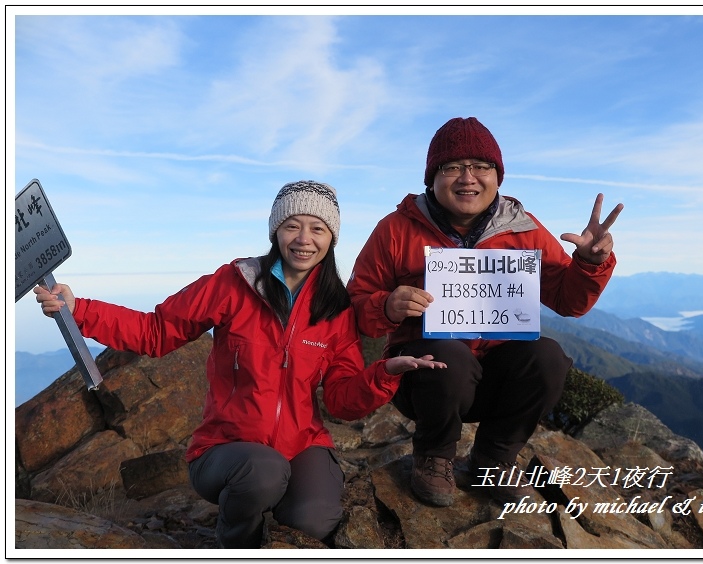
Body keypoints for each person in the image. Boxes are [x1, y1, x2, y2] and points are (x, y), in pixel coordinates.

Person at [34, 180, 446, 548]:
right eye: (292, 226)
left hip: (301, 444)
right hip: (225, 447)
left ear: (331, 238)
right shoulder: (234, 284)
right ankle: (235, 542)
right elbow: (156, 332)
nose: (304, 239)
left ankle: (276, 505)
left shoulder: (335, 308)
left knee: (313, 519)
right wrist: (79, 309)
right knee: (262, 474)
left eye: (318, 229)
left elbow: (340, 400)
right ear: (275, 232)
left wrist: (383, 373)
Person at [346, 117, 623, 507]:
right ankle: (433, 455)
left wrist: (589, 263)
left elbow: (569, 301)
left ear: (498, 176)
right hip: (424, 382)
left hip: (495, 378)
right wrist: (387, 306)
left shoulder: (523, 229)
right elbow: (355, 306)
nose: (467, 178)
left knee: (548, 357)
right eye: (452, 167)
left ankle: (493, 461)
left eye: (481, 166)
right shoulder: (396, 230)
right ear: (432, 177)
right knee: (446, 355)